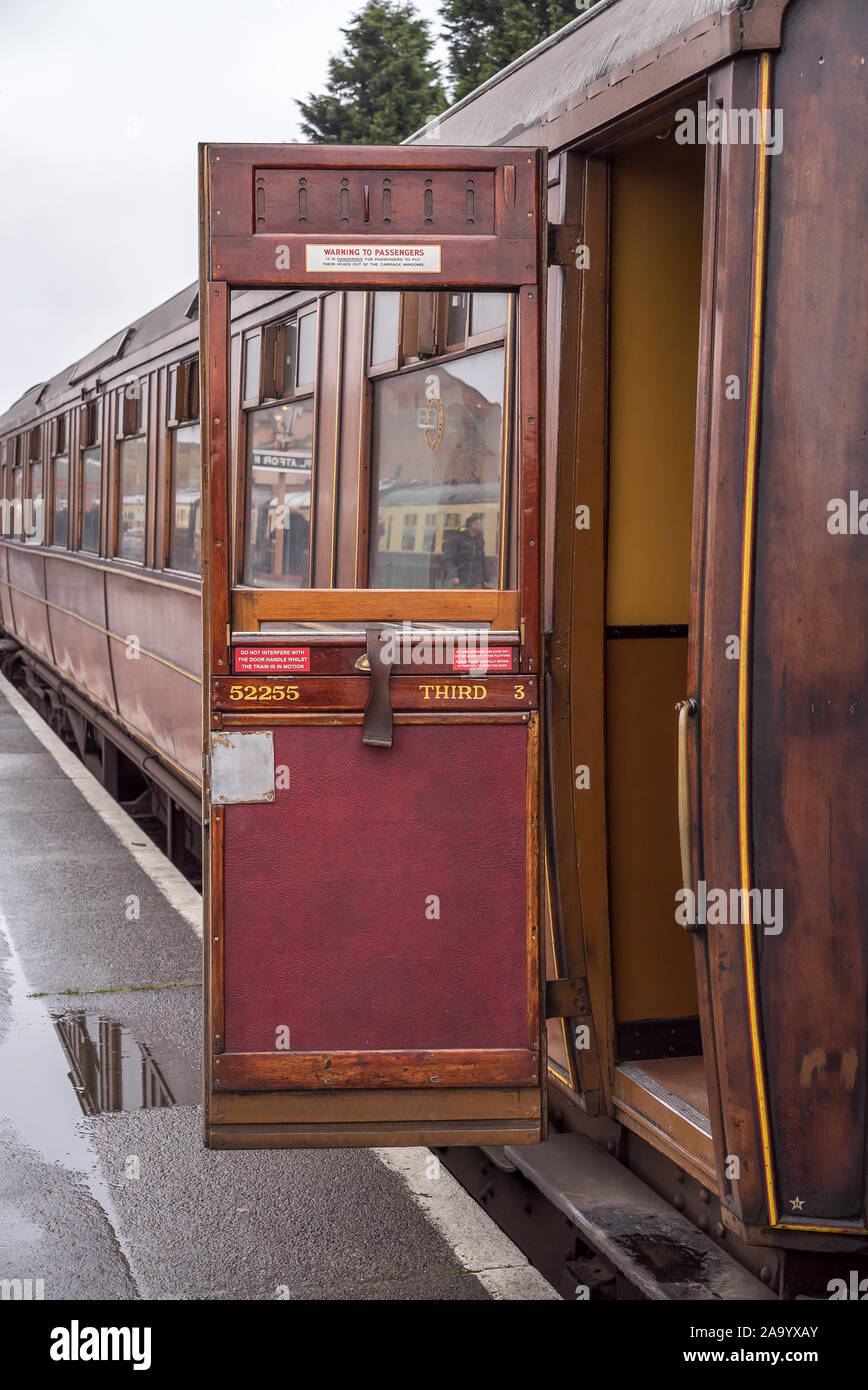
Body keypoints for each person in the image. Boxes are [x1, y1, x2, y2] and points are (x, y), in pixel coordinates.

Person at [442, 513, 490, 588]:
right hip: (461, 581)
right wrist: (453, 576)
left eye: (480, 524)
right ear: (471, 525)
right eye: (477, 524)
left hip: (476, 583)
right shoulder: (457, 540)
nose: (480, 526)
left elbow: (482, 561)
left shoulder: (480, 541)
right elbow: (448, 559)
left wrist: (486, 579)